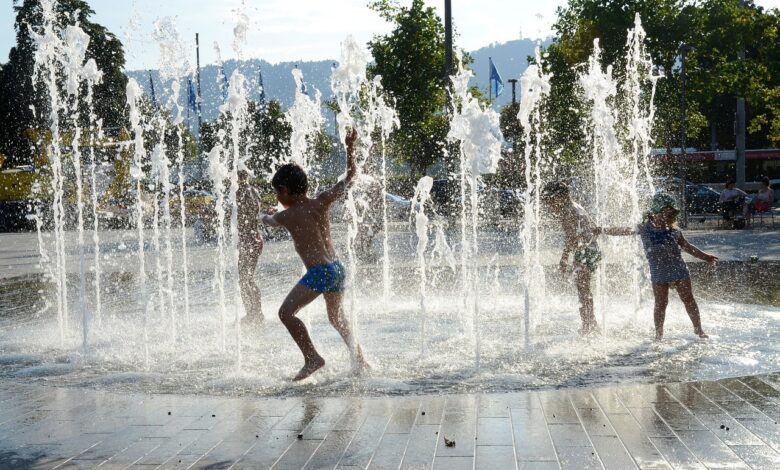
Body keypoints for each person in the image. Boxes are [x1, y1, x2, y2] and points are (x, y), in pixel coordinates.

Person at [260, 129, 368, 381]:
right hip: (337, 268)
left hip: (320, 272)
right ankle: (360, 361)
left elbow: (270, 220)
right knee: (337, 318)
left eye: (278, 192)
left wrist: (261, 215)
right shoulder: (322, 201)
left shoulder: (286, 215)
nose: (277, 197)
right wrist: (350, 147)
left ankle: (312, 358)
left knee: (286, 313)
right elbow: (351, 177)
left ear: (285, 190)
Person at [595, 193, 718, 341]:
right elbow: (623, 230)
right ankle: (658, 335)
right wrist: (602, 230)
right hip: (659, 271)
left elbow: (687, 247)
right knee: (661, 304)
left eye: (670, 213)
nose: (667, 215)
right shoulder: (644, 228)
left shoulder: (674, 230)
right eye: (665, 212)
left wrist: (706, 257)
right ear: (655, 211)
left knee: (689, 299)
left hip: (678, 268)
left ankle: (699, 330)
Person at [542, 181, 601, 335]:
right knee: (584, 289)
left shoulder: (568, 211)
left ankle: (588, 325)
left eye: (550, 201)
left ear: (560, 197)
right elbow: (591, 227)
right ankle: (590, 322)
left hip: (585, 252)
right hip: (591, 249)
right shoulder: (575, 207)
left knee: (582, 290)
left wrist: (564, 258)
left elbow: (571, 237)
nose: (549, 206)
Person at [237, 170, 264, 326]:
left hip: (247, 239)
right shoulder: (255, 191)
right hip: (255, 237)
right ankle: (255, 311)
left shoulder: (240, 193)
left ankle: (253, 313)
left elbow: (239, 216)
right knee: (247, 278)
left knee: (245, 279)